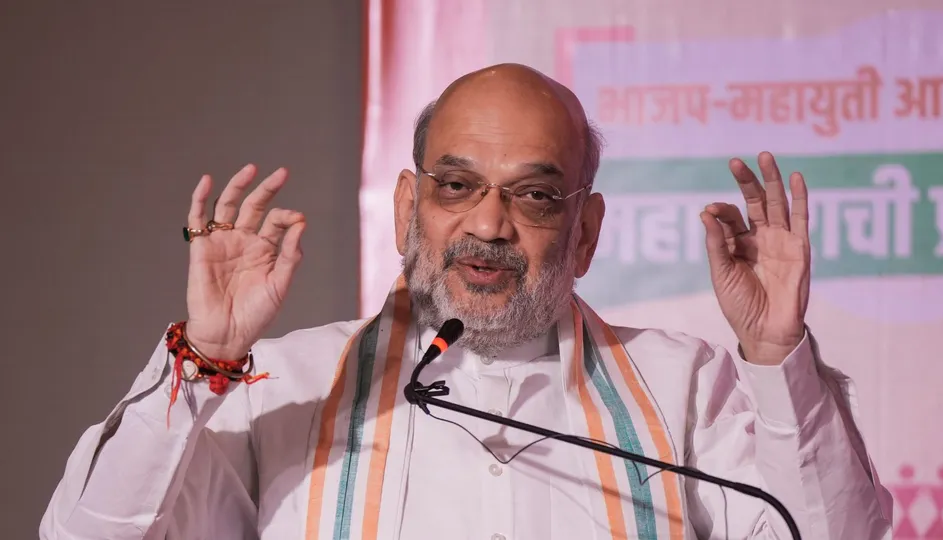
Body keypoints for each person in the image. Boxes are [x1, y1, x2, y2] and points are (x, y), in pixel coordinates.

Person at [40, 64, 893, 540]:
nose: (488, 222)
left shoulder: (685, 386)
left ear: (587, 231)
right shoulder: (282, 385)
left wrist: (780, 356)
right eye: (457, 185)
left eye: (533, 196)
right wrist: (204, 359)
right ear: (411, 208)